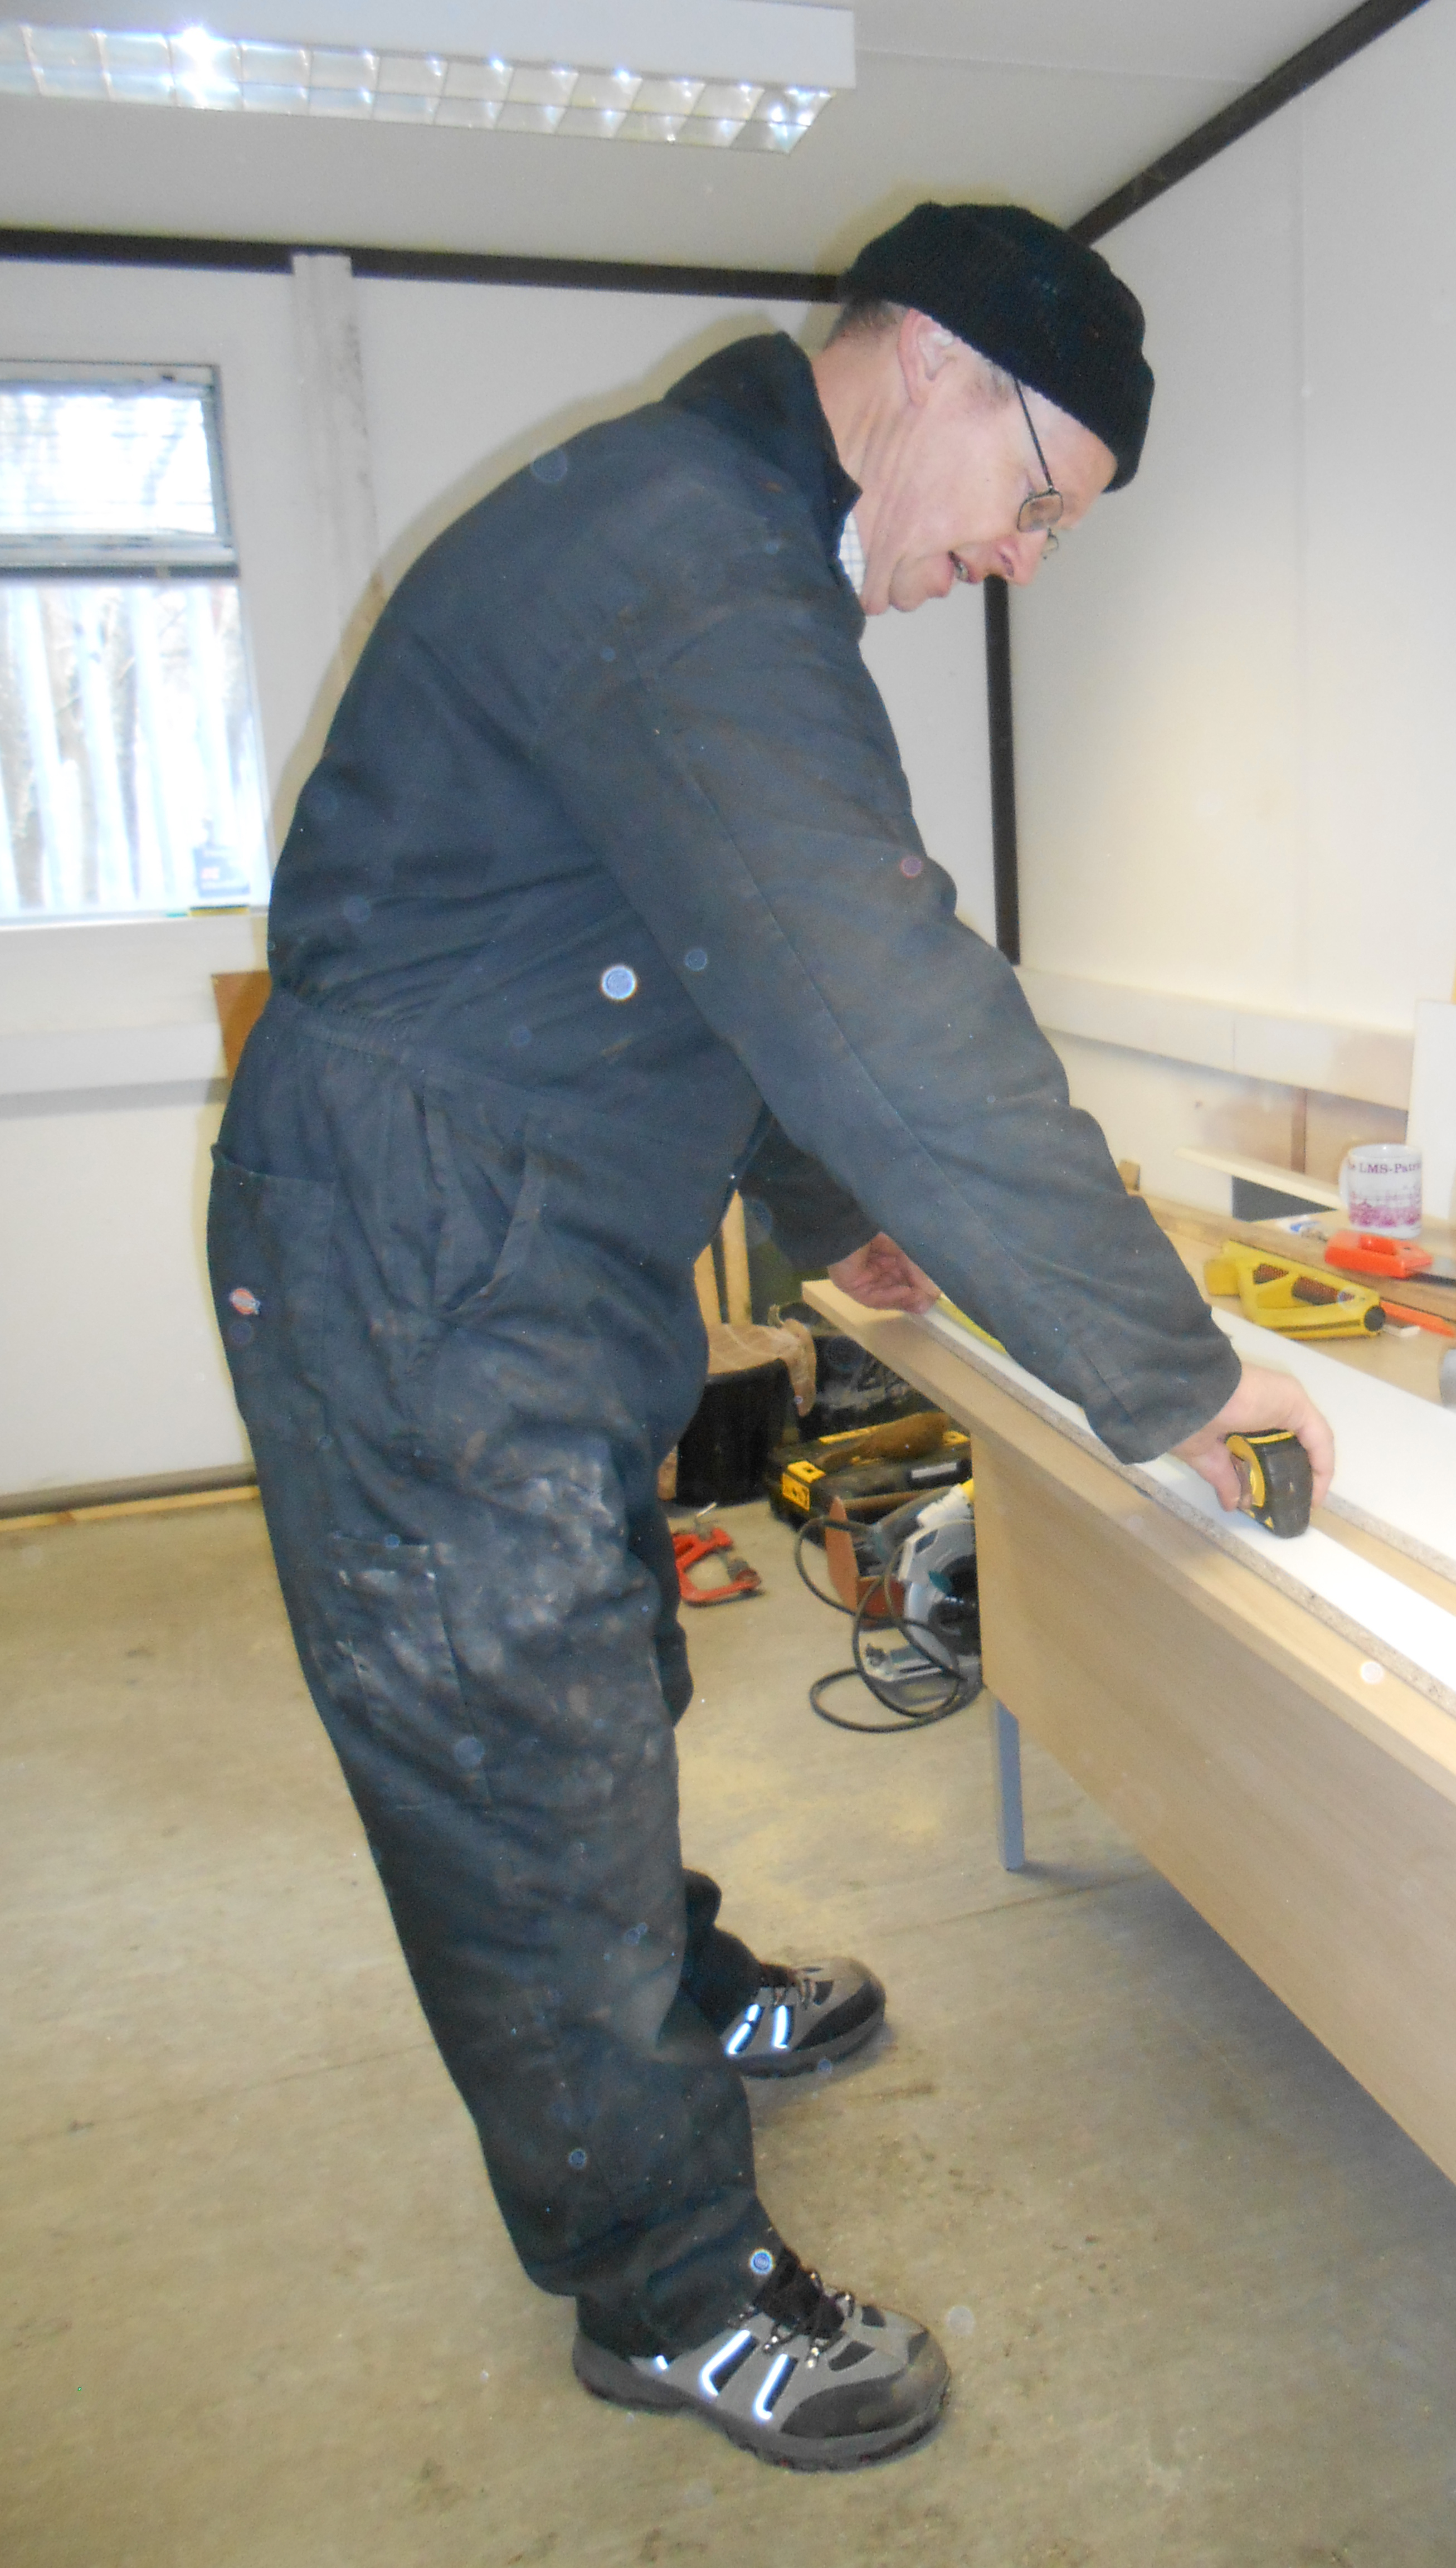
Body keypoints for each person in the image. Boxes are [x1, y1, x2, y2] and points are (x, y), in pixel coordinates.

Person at [208, 200, 1333, 2474]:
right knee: (512, 1743)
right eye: (1042, 496)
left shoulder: (718, 552)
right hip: (423, 1236)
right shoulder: (687, 561)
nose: (1024, 554)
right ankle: (665, 2285)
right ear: (924, 362)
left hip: (507, 1225)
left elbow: (736, 944)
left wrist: (855, 1223)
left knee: (590, 1658)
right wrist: (1180, 1376)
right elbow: (876, 990)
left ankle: (669, 1986)